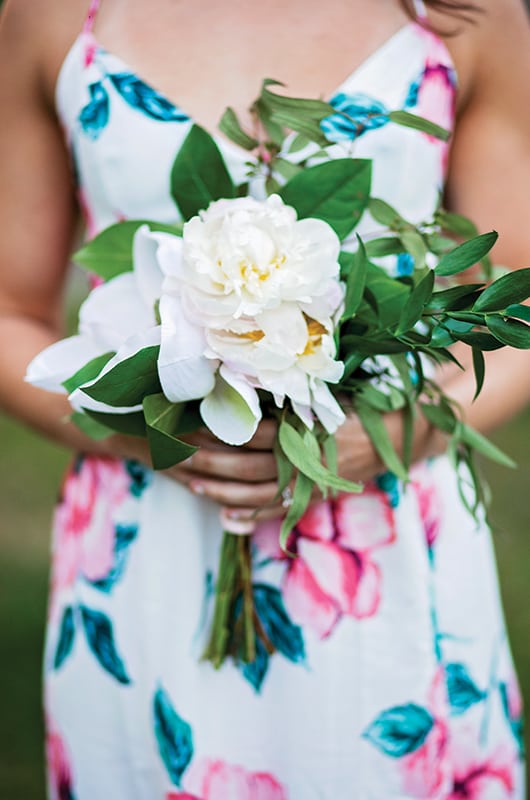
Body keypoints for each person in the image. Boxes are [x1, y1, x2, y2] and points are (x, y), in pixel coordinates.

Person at [1, 0, 529, 796]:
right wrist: (142, 431)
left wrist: (382, 436)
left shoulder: (466, 12)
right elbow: (9, 309)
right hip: (150, 531)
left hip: (378, 531)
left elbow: (515, 300)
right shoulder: (49, 14)